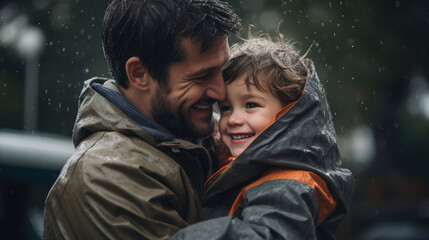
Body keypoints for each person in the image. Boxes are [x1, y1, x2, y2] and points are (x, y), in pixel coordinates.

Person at [43, 0, 240, 239]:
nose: (220, 92)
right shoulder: (105, 182)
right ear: (139, 74)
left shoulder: (204, 135)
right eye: (201, 76)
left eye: (223, 70)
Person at [171, 31, 355, 239]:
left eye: (250, 105)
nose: (233, 119)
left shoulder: (289, 184)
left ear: (288, 115)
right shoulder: (243, 165)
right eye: (226, 108)